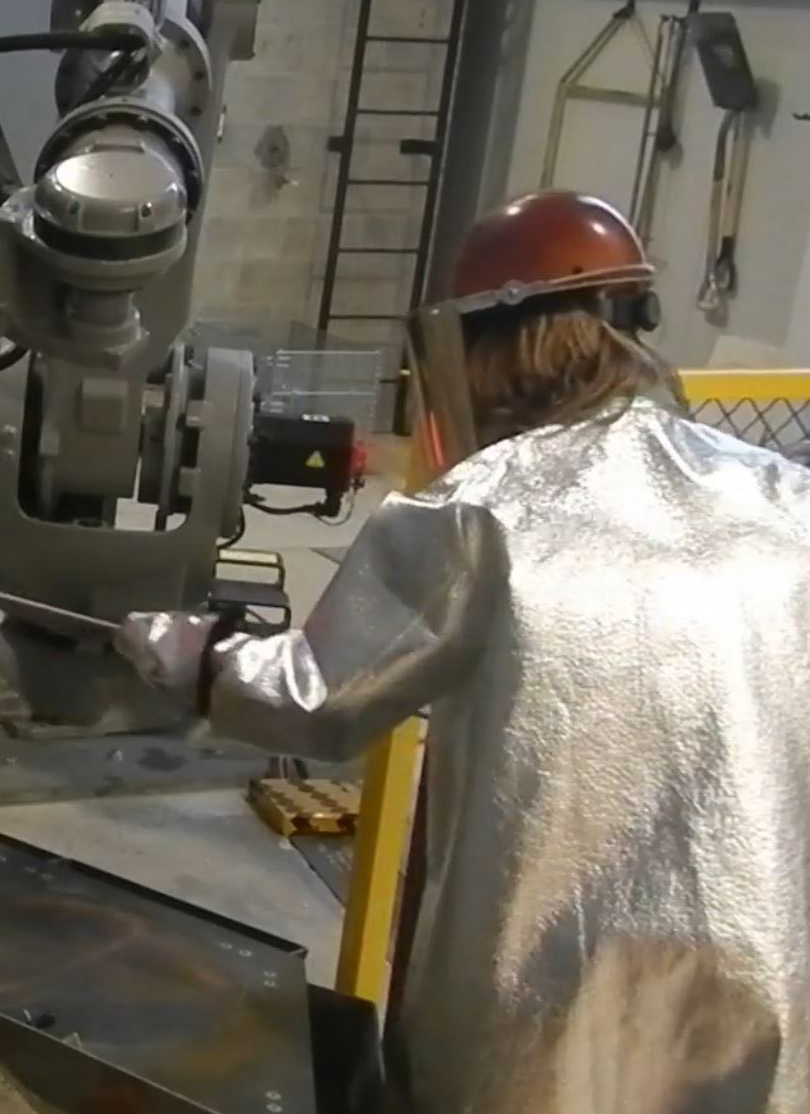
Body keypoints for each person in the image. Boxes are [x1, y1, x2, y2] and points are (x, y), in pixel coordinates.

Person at [118, 190, 810, 1114]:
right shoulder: (784, 498)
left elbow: (317, 697)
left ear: (479, 348)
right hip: (763, 1000)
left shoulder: (483, 512)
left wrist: (199, 656)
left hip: (553, 1017)